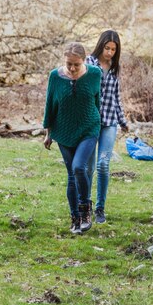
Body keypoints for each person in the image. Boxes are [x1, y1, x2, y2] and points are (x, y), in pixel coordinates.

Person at [43, 42, 102, 234]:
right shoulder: (55, 77)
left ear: (83, 61)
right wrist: (48, 133)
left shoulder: (95, 74)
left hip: (88, 128)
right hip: (64, 131)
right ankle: (75, 218)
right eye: (69, 64)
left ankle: (85, 210)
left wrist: (98, 123)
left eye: (76, 64)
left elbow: (96, 100)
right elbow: (50, 105)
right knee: (71, 176)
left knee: (79, 167)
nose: (72, 68)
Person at [85, 30, 129, 224]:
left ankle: (100, 208)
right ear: (100, 45)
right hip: (90, 121)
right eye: (107, 48)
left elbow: (116, 97)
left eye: (113, 49)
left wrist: (123, 120)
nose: (110, 52)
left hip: (110, 121)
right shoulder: (89, 63)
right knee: (88, 167)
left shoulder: (114, 67)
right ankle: (84, 205)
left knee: (103, 164)